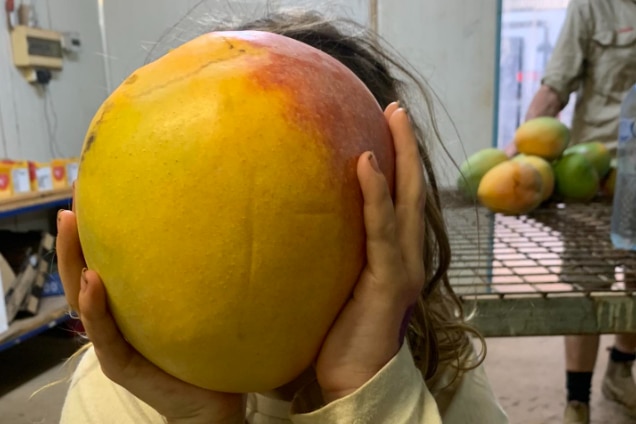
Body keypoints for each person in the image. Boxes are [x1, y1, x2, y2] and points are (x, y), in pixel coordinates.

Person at [56, 10, 509, 424]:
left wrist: (368, 391)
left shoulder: (443, 368)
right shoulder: (116, 391)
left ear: (398, 225)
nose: (237, 255)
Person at [505, 1, 636, 423]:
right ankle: (576, 401)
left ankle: (620, 370)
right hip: (595, 173)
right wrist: (521, 150)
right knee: (585, 286)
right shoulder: (593, 7)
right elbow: (556, 85)